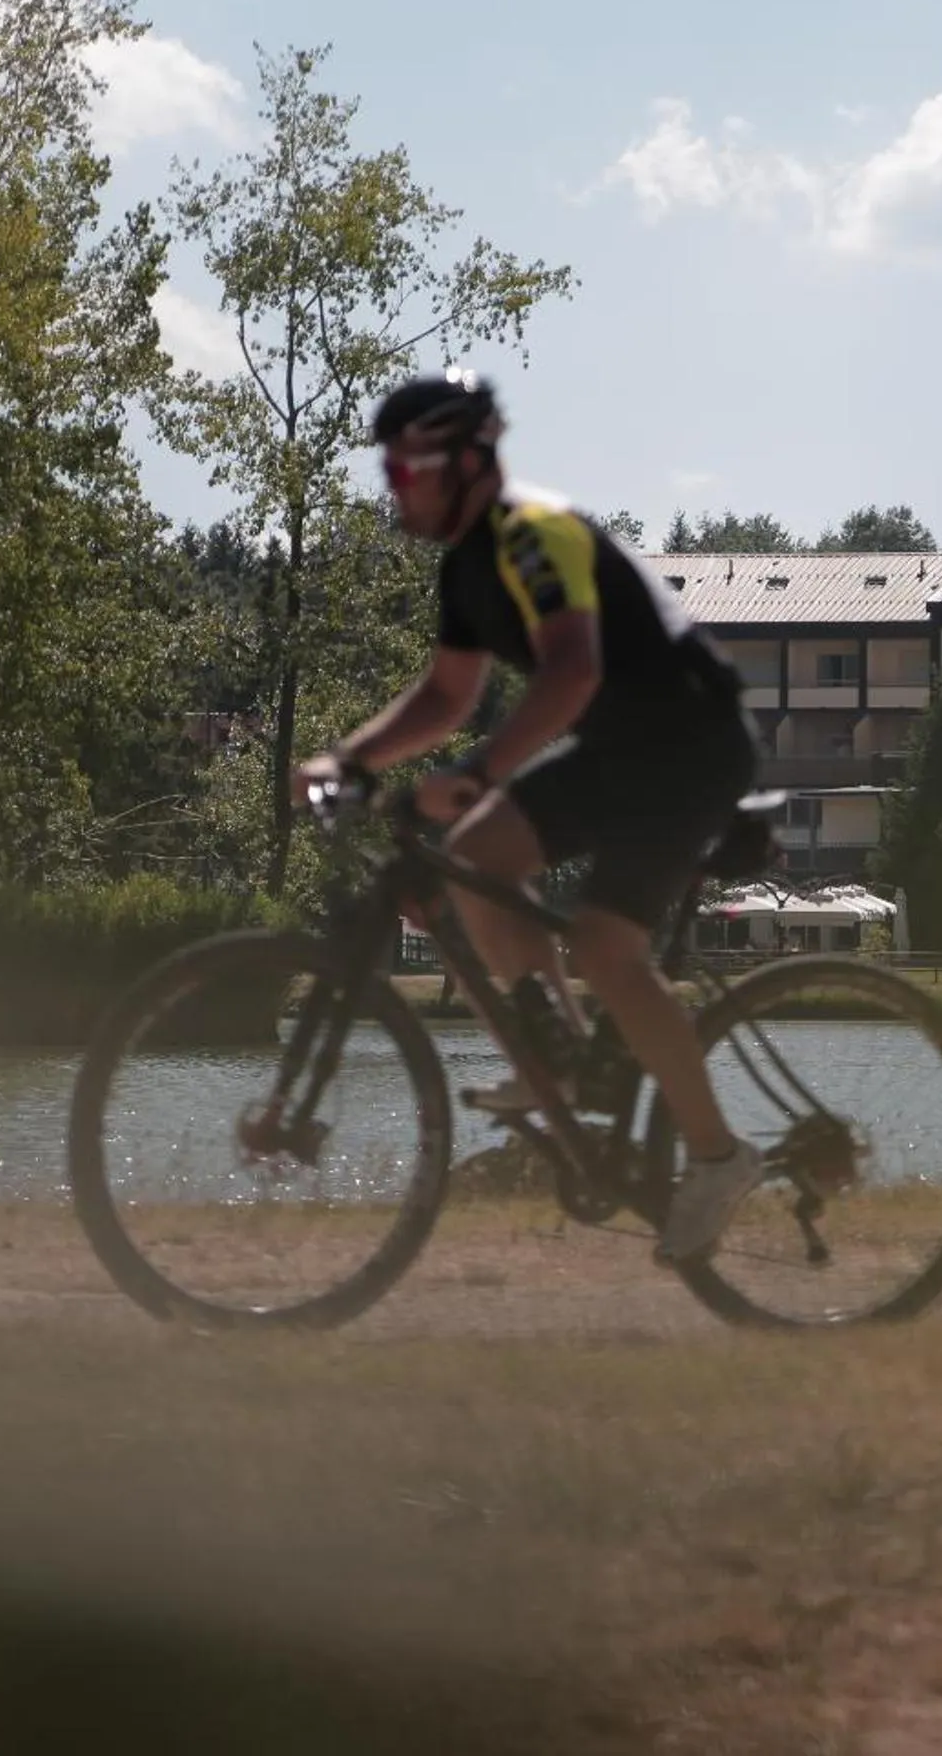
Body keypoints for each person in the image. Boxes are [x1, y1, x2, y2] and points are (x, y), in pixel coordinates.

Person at [289, 367, 763, 1266]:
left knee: (603, 946)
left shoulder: (533, 535)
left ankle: (718, 1154)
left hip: (691, 744)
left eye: (403, 472)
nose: (393, 490)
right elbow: (444, 693)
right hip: (620, 752)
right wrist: (348, 759)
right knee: (477, 856)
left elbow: (572, 671)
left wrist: (478, 770)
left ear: (465, 463)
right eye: (387, 473)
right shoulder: (467, 569)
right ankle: (563, 1061)